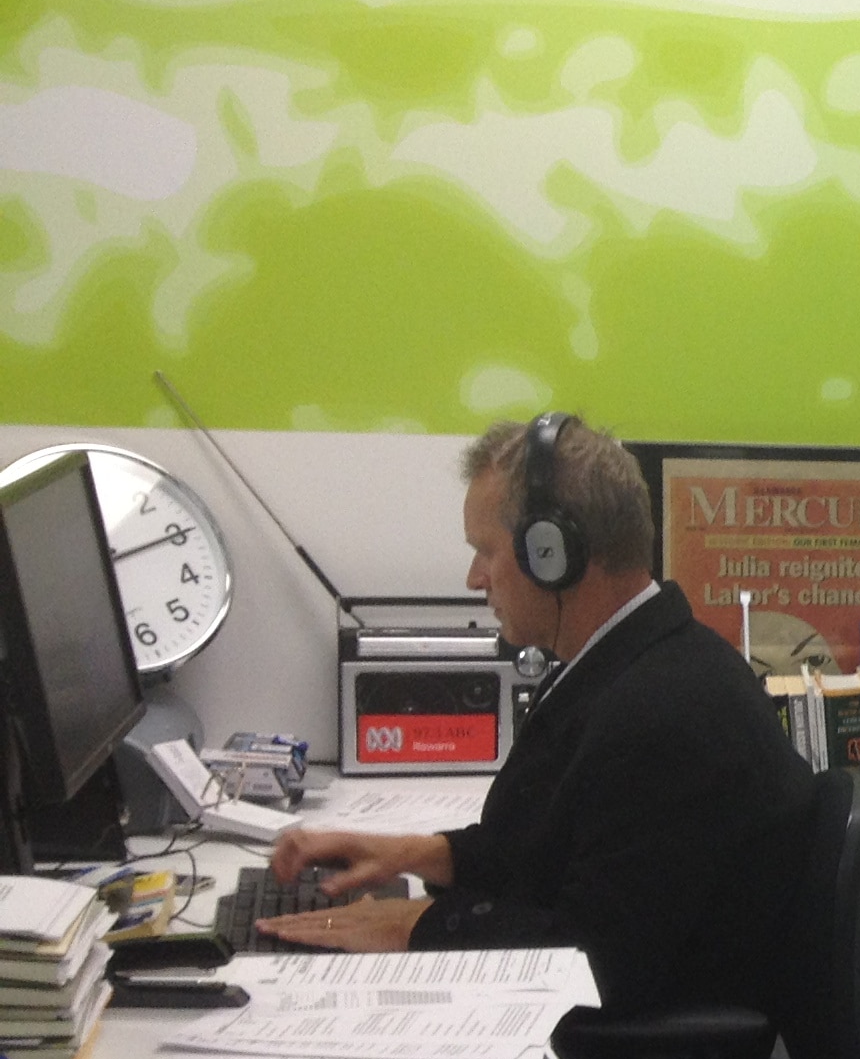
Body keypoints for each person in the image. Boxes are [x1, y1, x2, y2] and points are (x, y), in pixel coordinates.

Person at [260, 415, 812, 1017]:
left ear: (553, 553)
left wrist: (418, 926)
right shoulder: (622, 666)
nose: (475, 578)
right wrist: (412, 855)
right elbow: (543, 854)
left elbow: (593, 956)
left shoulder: (667, 711)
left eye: (486, 551)